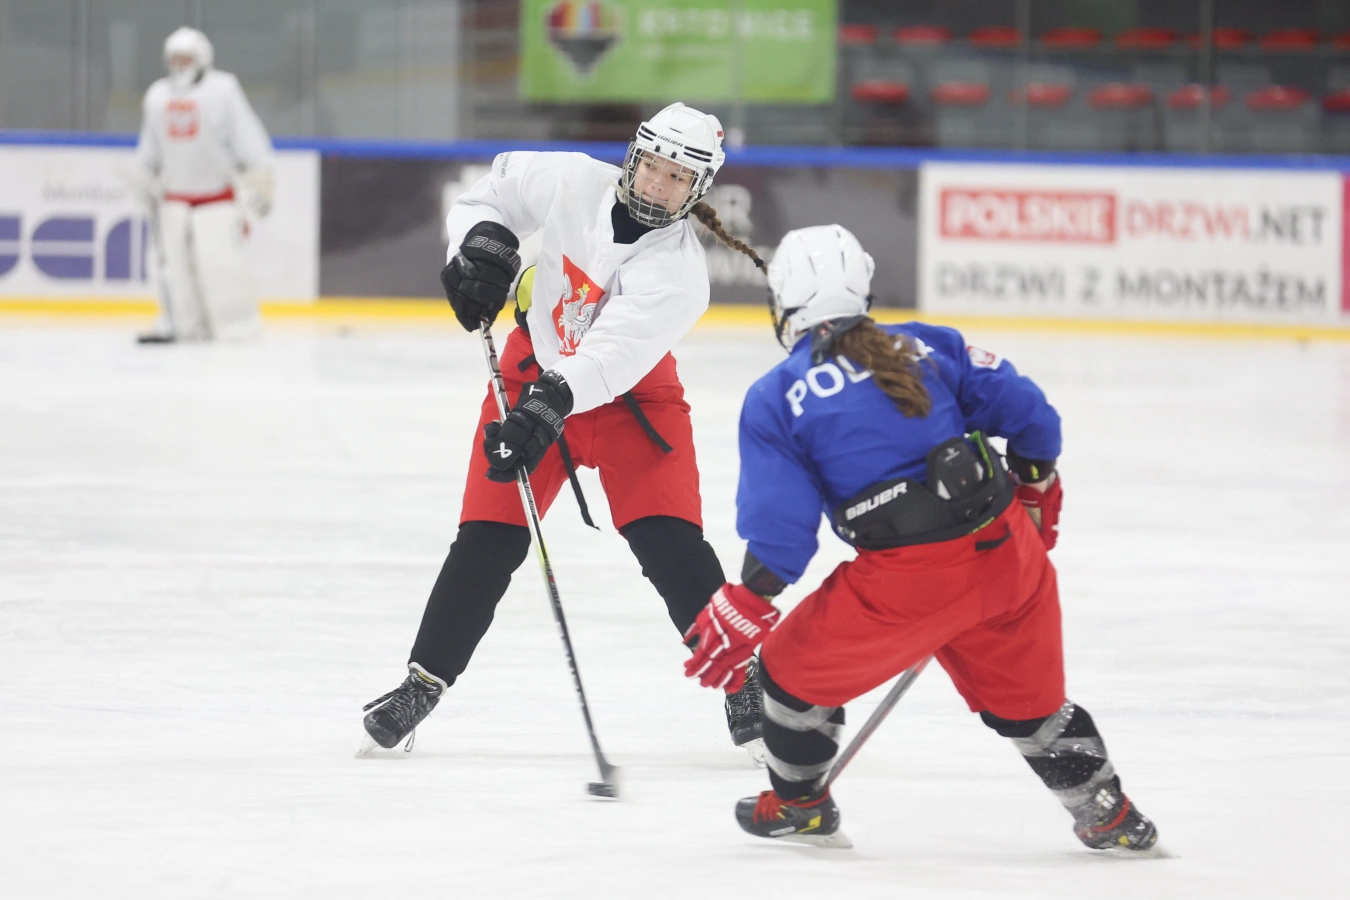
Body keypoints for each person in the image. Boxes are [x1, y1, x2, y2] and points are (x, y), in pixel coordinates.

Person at [682, 224, 1159, 851]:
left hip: (908, 584)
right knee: (1033, 709)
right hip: (1010, 558)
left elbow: (781, 530)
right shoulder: (930, 345)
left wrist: (749, 599)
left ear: (784, 304)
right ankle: (1112, 817)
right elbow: (1033, 417)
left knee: (788, 675)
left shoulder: (778, 397)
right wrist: (1036, 486)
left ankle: (802, 806)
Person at [360, 103, 769, 760]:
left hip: (632, 402)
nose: (659, 184)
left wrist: (548, 407)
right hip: (530, 377)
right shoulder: (572, 180)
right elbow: (489, 194)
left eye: (677, 177)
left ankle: (745, 676)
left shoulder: (680, 274)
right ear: (633, 158)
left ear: (699, 188)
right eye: (653, 167)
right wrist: (479, 246)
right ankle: (422, 682)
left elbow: (610, 358)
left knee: (670, 546)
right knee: (486, 539)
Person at [132, 26, 274, 344]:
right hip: (174, 204)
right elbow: (149, 149)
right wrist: (143, 178)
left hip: (216, 202)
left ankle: (238, 330)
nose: (179, 64)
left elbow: (248, 141)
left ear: (202, 59)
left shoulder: (223, 91)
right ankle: (182, 326)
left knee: (224, 270)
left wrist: (261, 179)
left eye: (186, 58)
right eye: (174, 58)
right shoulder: (157, 96)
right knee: (174, 273)